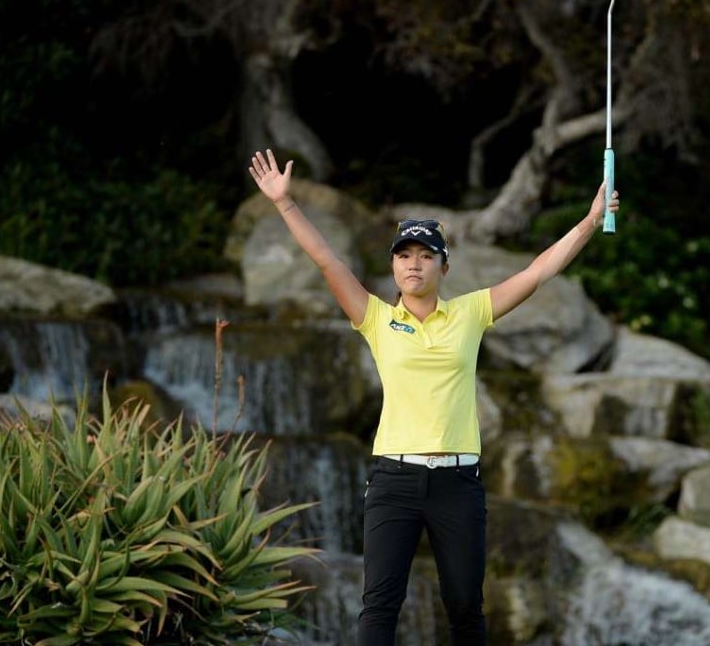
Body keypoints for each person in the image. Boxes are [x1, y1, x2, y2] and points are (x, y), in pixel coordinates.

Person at [248, 148, 619, 646]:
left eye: (426, 255)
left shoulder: (471, 313)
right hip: (393, 481)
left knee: (466, 606)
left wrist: (590, 222)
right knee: (379, 605)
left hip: (457, 484)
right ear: (394, 267)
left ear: (444, 267)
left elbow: (535, 273)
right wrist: (285, 204)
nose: (414, 264)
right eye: (404, 255)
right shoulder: (375, 317)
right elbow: (326, 260)